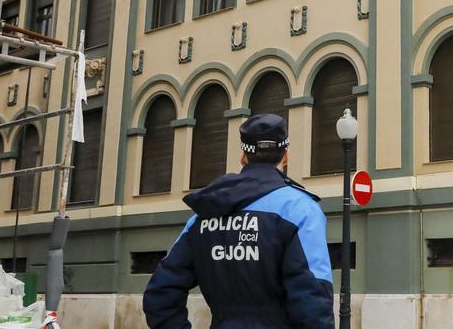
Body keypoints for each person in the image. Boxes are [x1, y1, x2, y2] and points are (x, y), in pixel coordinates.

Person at [143, 113, 334, 329]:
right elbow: (313, 302)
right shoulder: (300, 210)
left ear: (244, 156)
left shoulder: (202, 216)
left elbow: (160, 295)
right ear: (286, 155)